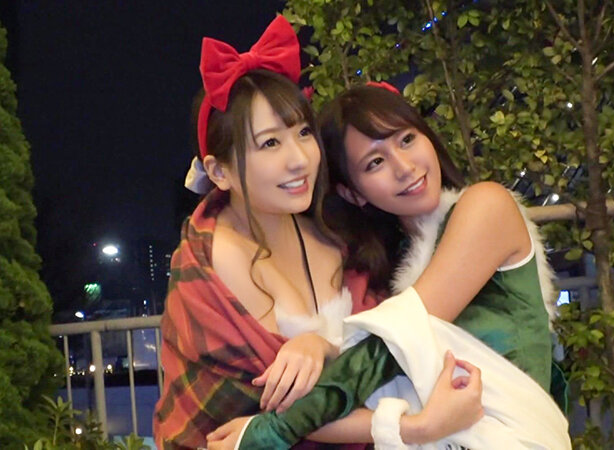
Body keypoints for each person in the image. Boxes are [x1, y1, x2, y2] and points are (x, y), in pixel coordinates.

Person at [153, 17, 483, 449]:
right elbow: (279, 414)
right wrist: (414, 424)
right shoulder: (214, 262)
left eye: (303, 133)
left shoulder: (337, 231)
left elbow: (389, 352)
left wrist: (320, 346)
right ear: (219, 171)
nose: (299, 159)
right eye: (270, 143)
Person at [208, 84, 571, 449]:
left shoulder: (486, 206)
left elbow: (391, 342)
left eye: (406, 140)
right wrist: (322, 348)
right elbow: (338, 401)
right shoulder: (384, 277)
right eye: (375, 162)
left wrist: (268, 431)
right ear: (353, 193)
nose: (405, 167)